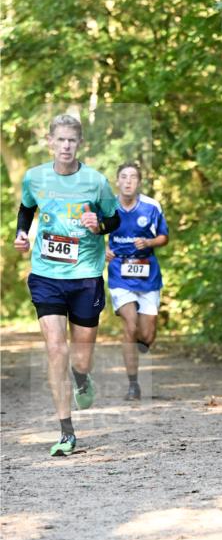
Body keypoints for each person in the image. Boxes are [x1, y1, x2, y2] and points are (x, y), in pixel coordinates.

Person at [14, 113, 119, 457]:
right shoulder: (34, 177)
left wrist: (98, 226)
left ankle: (82, 377)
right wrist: (20, 234)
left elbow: (114, 218)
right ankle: (66, 430)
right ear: (50, 141)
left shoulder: (96, 181)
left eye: (71, 140)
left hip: (86, 275)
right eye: (60, 139)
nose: (65, 146)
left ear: (80, 144)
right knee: (56, 348)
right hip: (46, 275)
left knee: (81, 354)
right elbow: (26, 208)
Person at [106, 162, 169, 400]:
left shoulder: (151, 206)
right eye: (124, 176)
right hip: (119, 272)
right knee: (129, 326)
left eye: (133, 177)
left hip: (147, 274)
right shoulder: (108, 206)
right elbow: (94, 234)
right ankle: (133, 384)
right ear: (117, 181)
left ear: (139, 182)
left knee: (146, 335)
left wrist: (149, 243)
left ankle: (144, 340)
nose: (128, 181)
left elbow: (164, 237)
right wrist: (105, 250)